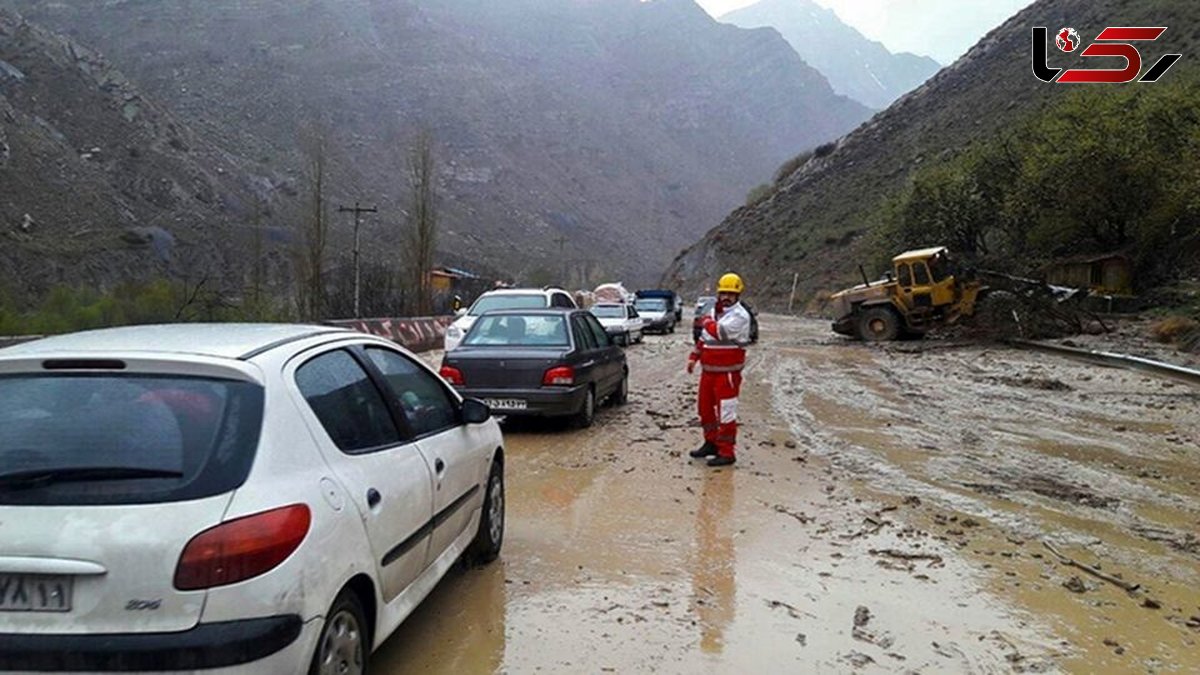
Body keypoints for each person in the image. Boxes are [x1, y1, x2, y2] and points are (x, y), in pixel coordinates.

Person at [687, 273, 752, 467]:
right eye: (724, 293)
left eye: (731, 294)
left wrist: (706, 321)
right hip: (708, 371)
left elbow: (719, 332)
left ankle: (726, 452)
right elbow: (705, 338)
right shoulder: (716, 312)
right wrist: (694, 357)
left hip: (728, 373)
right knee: (705, 409)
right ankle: (711, 443)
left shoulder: (740, 315)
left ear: (738, 295)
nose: (726, 297)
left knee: (726, 412)